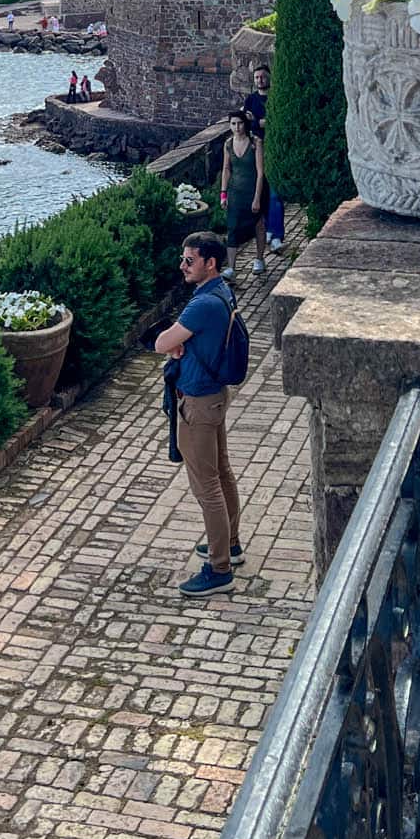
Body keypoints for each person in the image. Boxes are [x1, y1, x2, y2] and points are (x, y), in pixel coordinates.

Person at [154, 232, 243, 596]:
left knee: (206, 487)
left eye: (190, 260)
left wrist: (174, 346)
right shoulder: (221, 291)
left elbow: (162, 342)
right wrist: (181, 346)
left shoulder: (203, 304)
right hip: (214, 396)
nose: (183, 266)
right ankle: (231, 544)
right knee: (221, 473)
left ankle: (219, 568)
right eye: (182, 258)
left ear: (210, 263)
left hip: (199, 403)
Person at [241, 65, 284, 250]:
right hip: (256, 150)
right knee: (262, 191)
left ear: (269, 78)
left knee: (275, 193)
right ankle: (267, 229)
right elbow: (244, 122)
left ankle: (277, 235)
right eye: (257, 77)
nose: (260, 80)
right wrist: (259, 122)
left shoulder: (276, 97)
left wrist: (257, 121)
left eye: (263, 77)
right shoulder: (250, 99)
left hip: (274, 148)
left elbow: (277, 120)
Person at [220, 109, 266, 276]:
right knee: (232, 227)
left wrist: (257, 198)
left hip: (253, 189)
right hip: (235, 192)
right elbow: (226, 169)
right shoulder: (228, 144)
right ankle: (231, 267)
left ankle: (259, 258)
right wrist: (223, 194)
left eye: (239, 123)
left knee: (258, 224)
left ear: (244, 124)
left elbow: (260, 172)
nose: (237, 127)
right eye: (233, 124)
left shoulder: (255, 142)